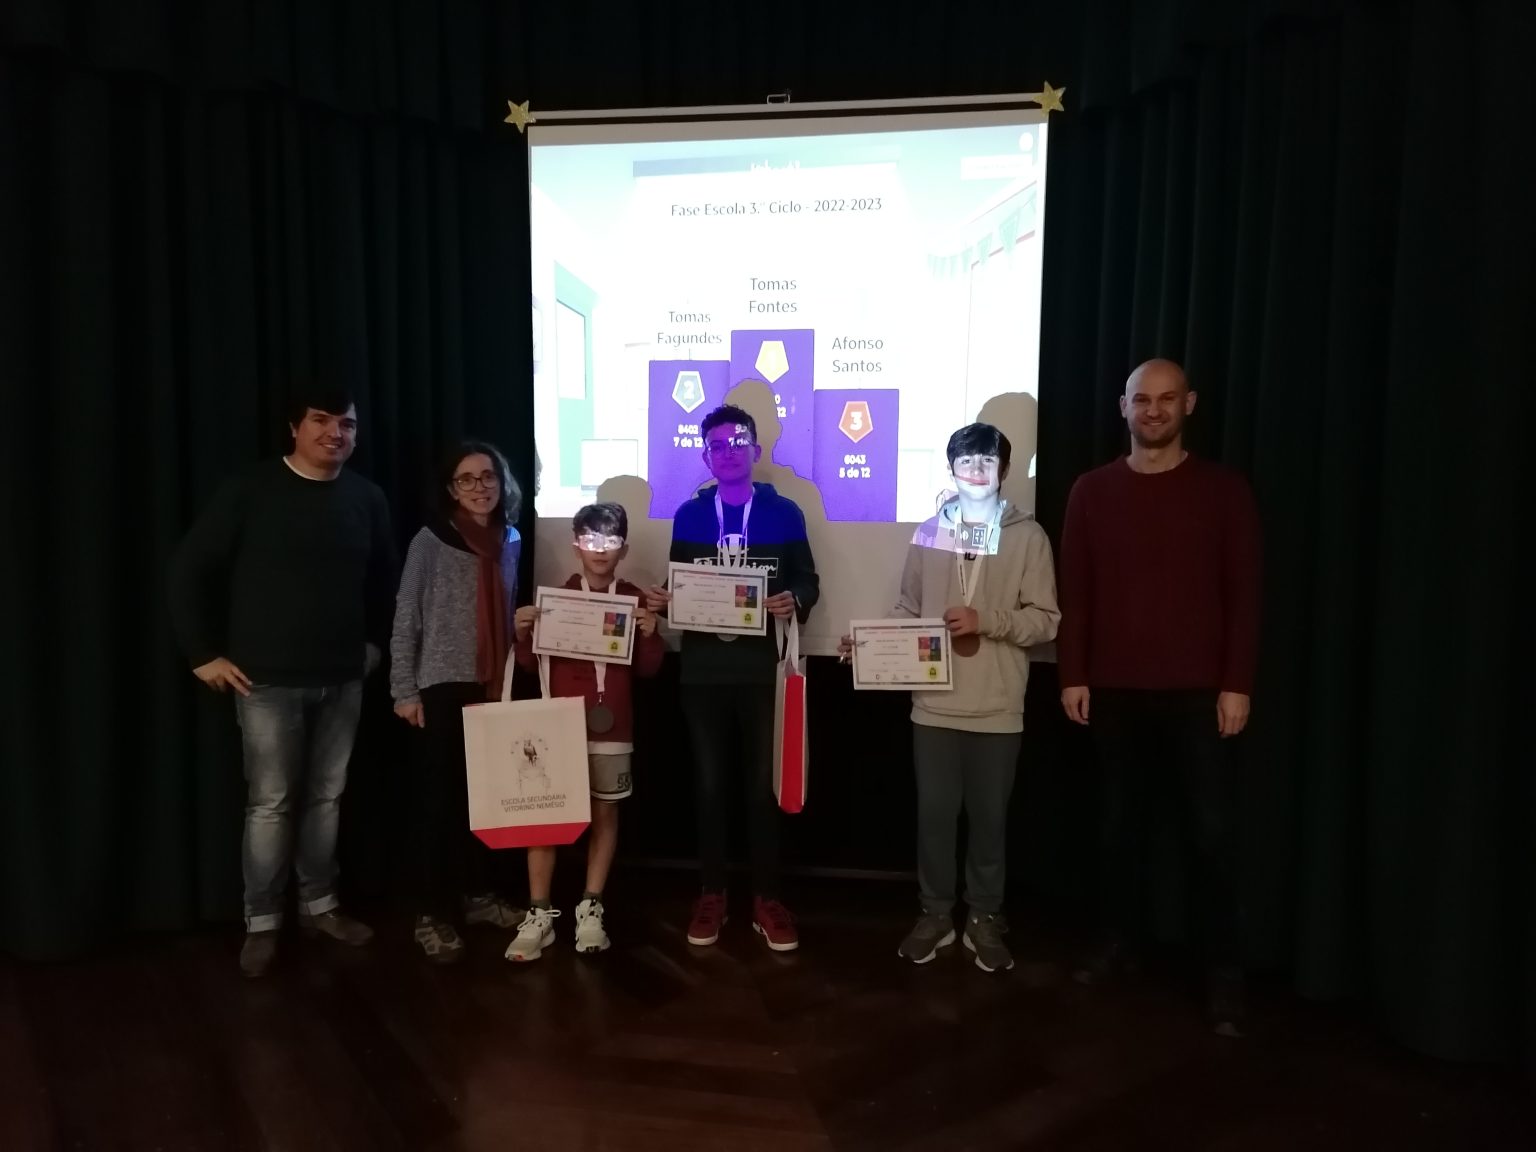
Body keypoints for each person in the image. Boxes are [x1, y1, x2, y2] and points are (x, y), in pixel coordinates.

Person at [1057, 358, 1262, 1036]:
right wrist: (1072, 674)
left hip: (1200, 695)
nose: (1153, 410)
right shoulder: (1091, 490)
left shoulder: (1225, 491)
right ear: (1123, 407)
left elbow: (1245, 597)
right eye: (1142, 399)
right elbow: (1078, 594)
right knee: (1117, 829)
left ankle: (1223, 973)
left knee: (1212, 836)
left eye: (1166, 399)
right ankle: (1119, 943)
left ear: (1188, 404)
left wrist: (1237, 683)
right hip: (1113, 691)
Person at [167, 385, 398, 978]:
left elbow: (384, 582)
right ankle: (263, 921)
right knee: (271, 804)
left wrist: (375, 645)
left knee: (327, 798)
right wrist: (202, 655)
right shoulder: (249, 490)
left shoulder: (367, 498)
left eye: (346, 424)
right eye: (321, 420)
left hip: (343, 679)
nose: (335, 433)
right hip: (265, 683)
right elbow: (189, 567)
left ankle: (320, 905)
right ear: (294, 428)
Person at [839, 423, 1060, 973]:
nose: (977, 471)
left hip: (998, 706)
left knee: (989, 822)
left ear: (1004, 469)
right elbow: (908, 609)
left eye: (987, 462)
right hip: (933, 705)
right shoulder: (928, 533)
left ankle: (984, 916)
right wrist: (869, 645)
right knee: (934, 819)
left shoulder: (1028, 537)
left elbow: (1046, 621)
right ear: (952, 469)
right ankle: (935, 913)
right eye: (966, 462)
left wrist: (987, 620)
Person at [645, 405, 819, 952]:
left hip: (762, 671)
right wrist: (667, 599)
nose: (729, 451)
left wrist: (796, 599)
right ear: (706, 456)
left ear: (756, 450)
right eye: (717, 445)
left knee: (762, 788)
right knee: (710, 786)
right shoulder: (690, 516)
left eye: (738, 441)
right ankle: (713, 892)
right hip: (702, 673)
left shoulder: (784, 513)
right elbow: (680, 584)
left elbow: (808, 580)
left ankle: (766, 898)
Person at [506, 503, 665, 959]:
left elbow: (648, 670)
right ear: (576, 545)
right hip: (559, 728)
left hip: (612, 727)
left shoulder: (633, 601)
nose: (600, 549)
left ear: (623, 549)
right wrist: (522, 634)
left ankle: (591, 906)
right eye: (591, 540)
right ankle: (539, 913)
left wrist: (651, 634)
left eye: (610, 541)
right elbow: (529, 665)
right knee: (545, 818)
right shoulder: (556, 599)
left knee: (605, 815)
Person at [390, 441, 526, 963]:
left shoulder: (511, 538)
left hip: (493, 687)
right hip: (440, 687)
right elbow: (407, 615)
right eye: (466, 479)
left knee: (484, 801)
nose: (479, 487)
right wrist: (404, 690)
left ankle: (477, 896)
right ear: (450, 489)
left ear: (501, 481)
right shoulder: (430, 541)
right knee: (437, 804)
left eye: (487, 476)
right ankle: (431, 914)